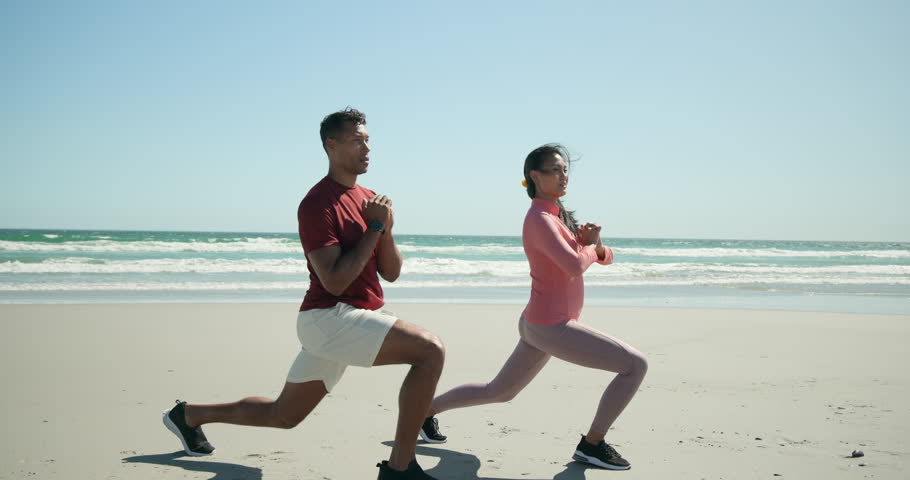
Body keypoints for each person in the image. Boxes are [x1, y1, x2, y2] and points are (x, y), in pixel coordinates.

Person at [162, 108, 445, 480]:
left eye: (368, 140)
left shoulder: (370, 197)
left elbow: (390, 273)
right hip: (330, 318)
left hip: (350, 319)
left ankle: (190, 415)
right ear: (331, 145)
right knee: (430, 351)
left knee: (284, 415)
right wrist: (374, 227)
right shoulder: (317, 204)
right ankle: (400, 468)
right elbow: (334, 282)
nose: (367, 148)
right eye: (357, 139)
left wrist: (385, 230)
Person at [419, 144, 648, 470]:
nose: (562, 175)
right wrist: (587, 247)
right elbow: (573, 265)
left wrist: (595, 245)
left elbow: (605, 257)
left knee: (498, 391)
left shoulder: (558, 217)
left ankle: (423, 411)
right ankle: (593, 444)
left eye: (564, 169)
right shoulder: (539, 220)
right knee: (634, 365)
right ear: (534, 177)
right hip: (550, 327)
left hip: (539, 324)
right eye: (555, 170)